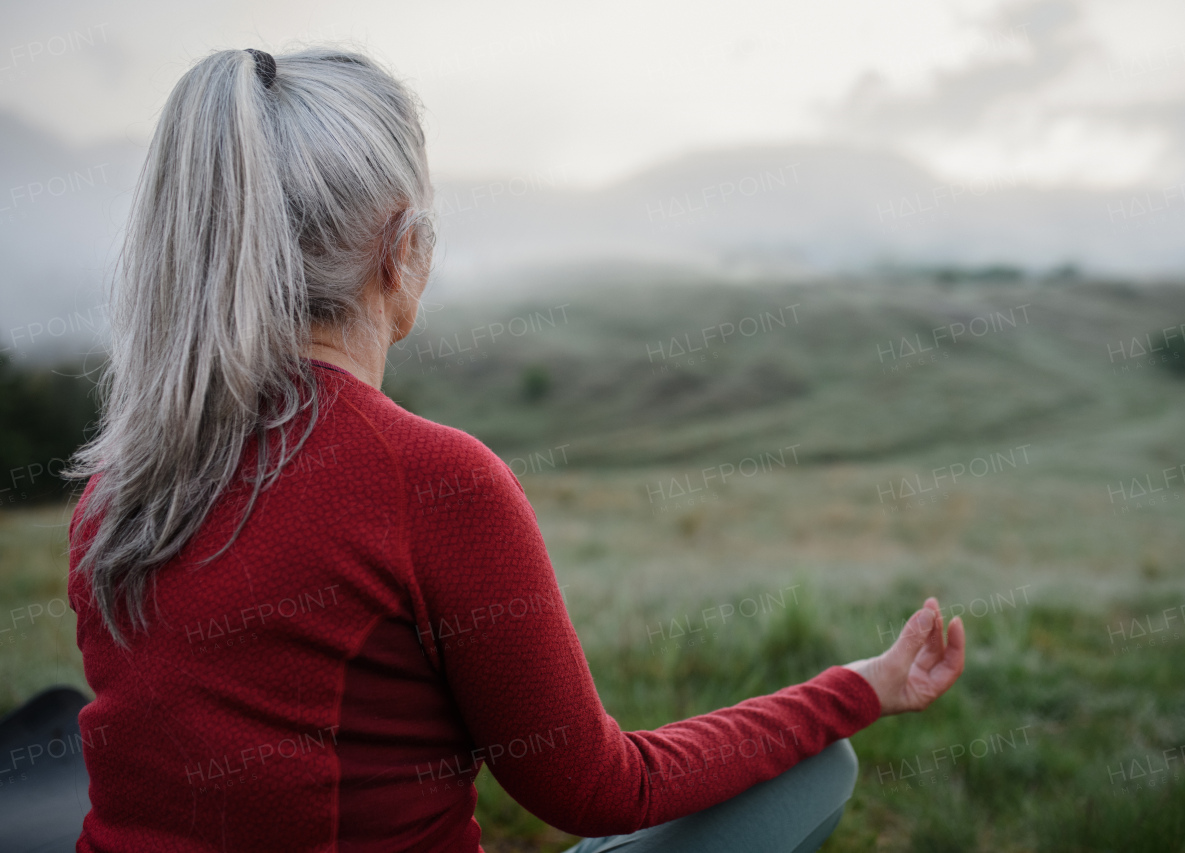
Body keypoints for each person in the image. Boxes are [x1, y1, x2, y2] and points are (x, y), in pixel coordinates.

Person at [65, 47, 965, 853]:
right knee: (817, 773)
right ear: (401, 252)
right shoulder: (431, 481)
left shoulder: (116, 487)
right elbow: (599, 788)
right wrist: (856, 686)